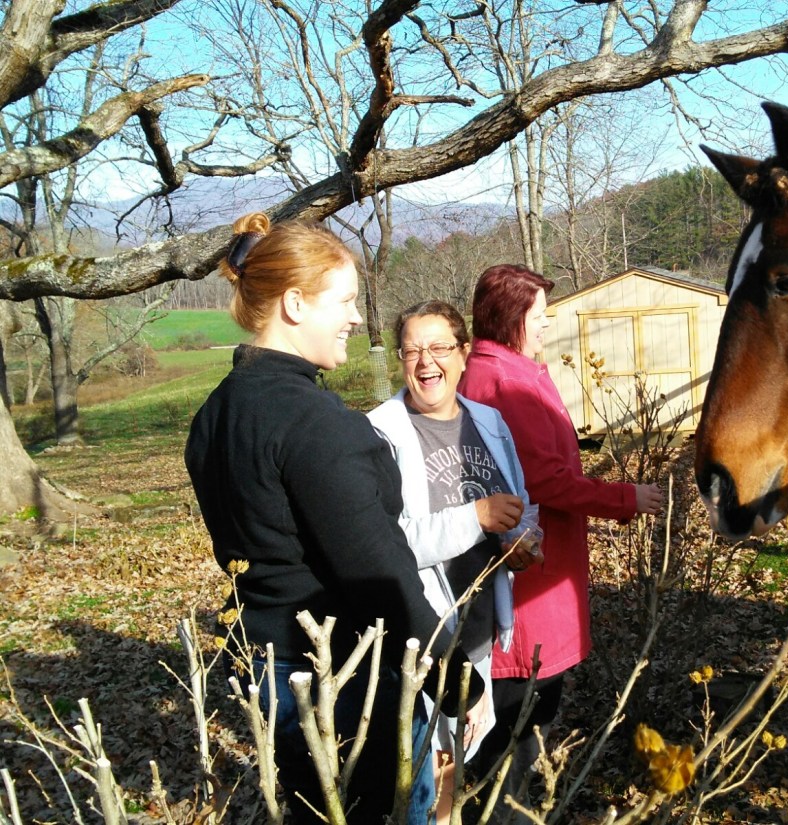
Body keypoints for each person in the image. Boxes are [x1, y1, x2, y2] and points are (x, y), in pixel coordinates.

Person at [185, 214, 486, 825]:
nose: (356, 317)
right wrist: (458, 684)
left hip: (269, 671)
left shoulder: (214, 416)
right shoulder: (318, 425)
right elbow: (378, 575)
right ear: (295, 304)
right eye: (344, 301)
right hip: (345, 682)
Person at [458, 264, 663, 819]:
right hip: (530, 577)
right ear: (510, 317)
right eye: (539, 315)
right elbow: (545, 480)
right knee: (522, 707)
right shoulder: (508, 383)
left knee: (521, 705)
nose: (547, 324)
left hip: (526, 566)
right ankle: (507, 811)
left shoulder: (499, 372)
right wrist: (625, 498)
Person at [367, 300, 542, 824]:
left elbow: (521, 501)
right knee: (432, 776)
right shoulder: (380, 432)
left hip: (483, 630)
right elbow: (383, 544)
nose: (426, 362)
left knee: (461, 765)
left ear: (463, 353)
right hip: (423, 638)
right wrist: (477, 517)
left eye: (439, 347)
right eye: (412, 350)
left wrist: (523, 544)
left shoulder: (488, 421)